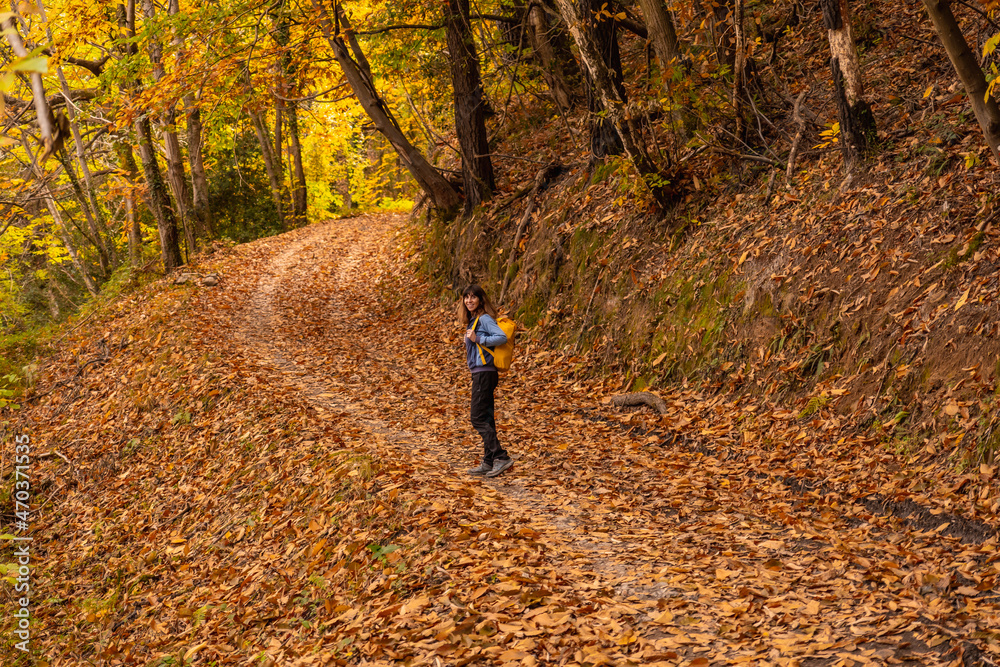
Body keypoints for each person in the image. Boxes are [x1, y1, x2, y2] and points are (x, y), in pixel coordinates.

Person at [457, 284, 513, 478]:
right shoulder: (473, 320)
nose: (469, 300)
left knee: (477, 417)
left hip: (484, 373)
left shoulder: (484, 319)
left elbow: (501, 337)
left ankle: (501, 456)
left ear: (481, 300)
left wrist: (478, 338)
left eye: (473, 297)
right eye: (466, 297)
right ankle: (489, 462)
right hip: (481, 373)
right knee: (487, 417)